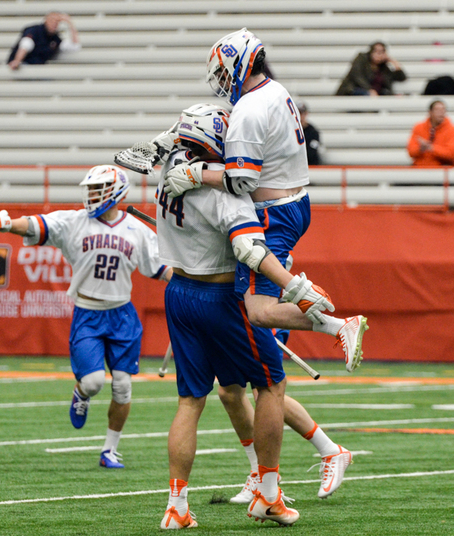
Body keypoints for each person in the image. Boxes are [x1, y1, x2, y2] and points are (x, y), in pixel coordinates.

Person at [151, 105, 348, 529]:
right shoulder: (228, 197)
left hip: (179, 290)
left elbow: (157, 148)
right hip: (221, 297)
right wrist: (294, 285)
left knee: (190, 400)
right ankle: (268, 495)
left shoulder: (170, 161)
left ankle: (177, 506)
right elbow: (250, 251)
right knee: (271, 386)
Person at [161, 28, 369, 375]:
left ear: (239, 65)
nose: (222, 80)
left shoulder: (249, 109)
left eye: (224, 72)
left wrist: (197, 174)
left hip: (273, 211)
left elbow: (241, 180)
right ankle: (290, 284)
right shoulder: (275, 90)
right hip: (294, 201)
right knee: (254, 289)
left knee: (258, 311)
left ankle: (330, 317)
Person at [0, 165, 170, 469]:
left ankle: (110, 450)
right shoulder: (75, 221)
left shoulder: (137, 230)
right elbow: (36, 225)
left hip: (122, 314)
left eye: (98, 189)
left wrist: (191, 279)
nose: (92, 195)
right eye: (90, 189)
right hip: (88, 313)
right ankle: (80, 393)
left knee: (122, 386)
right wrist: (5, 222)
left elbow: (161, 269)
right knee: (92, 383)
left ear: (116, 192)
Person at [7, 12, 80, 70]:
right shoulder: (34, 30)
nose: (54, 24)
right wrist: (17, 61)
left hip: (38, 68)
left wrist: (70, 23)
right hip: (24, 64)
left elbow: (75, 46)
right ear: (46, 21)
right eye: (52, 20)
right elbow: (25, 45)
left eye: (57, 22)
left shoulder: (55, 38)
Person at [336, 42, 406, 96]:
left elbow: (401, 77)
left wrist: (393, 62)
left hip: (374, 95)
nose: (378, 54)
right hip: (353, 91)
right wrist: (369, 89)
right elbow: (357, 76)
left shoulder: (383, 68)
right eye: (376, 51)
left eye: (381, 52)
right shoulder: (361, 59)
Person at [407, 100, 454, 167]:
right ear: (430, 112)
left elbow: (451, 153)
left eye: (443, 110)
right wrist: (420, 148)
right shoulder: (418, 127)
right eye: (437, 110)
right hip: (420, 167)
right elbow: (411, 152)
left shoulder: (452, 129)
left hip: (442, 168)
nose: (441, 112)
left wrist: (431, 148)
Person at [297, 102, 321, 166]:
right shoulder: (291, 130)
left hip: (310, 165)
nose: (300, 116)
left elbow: (312, 152)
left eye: (302, 113)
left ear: (306, 114)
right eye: (298, 113)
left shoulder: (313, 132)